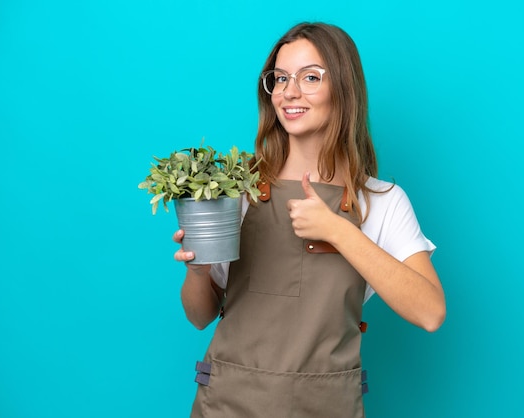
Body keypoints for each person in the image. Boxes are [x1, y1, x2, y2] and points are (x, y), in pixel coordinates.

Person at [173, 22, 446, 418]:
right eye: (280, 78)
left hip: (326, 407)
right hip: (227, 404)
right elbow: (200, 317)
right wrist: (197, 270)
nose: (289, 92)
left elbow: (430, 312)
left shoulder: (380, 201)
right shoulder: (238, 190)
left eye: (311, 77)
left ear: (344, 88)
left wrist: (338, 231)